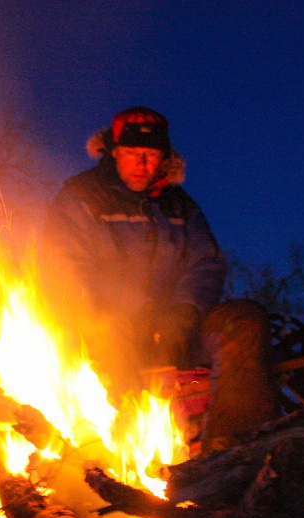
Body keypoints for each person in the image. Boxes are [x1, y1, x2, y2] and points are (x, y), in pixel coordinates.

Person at [43, 106, 228, 392]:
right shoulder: (83, 197)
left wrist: (185, 311)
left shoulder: (180, 206)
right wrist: (136, 309)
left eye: (151, 155)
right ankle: (123, 423)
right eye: (131, 153)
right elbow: (65, 267)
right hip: (105, 328)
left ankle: (236, 433)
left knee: (244, 322)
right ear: (114, 151)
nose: (141, 164)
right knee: (109, 332)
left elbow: (206, 263)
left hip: (174, 328)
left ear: (164, 159)